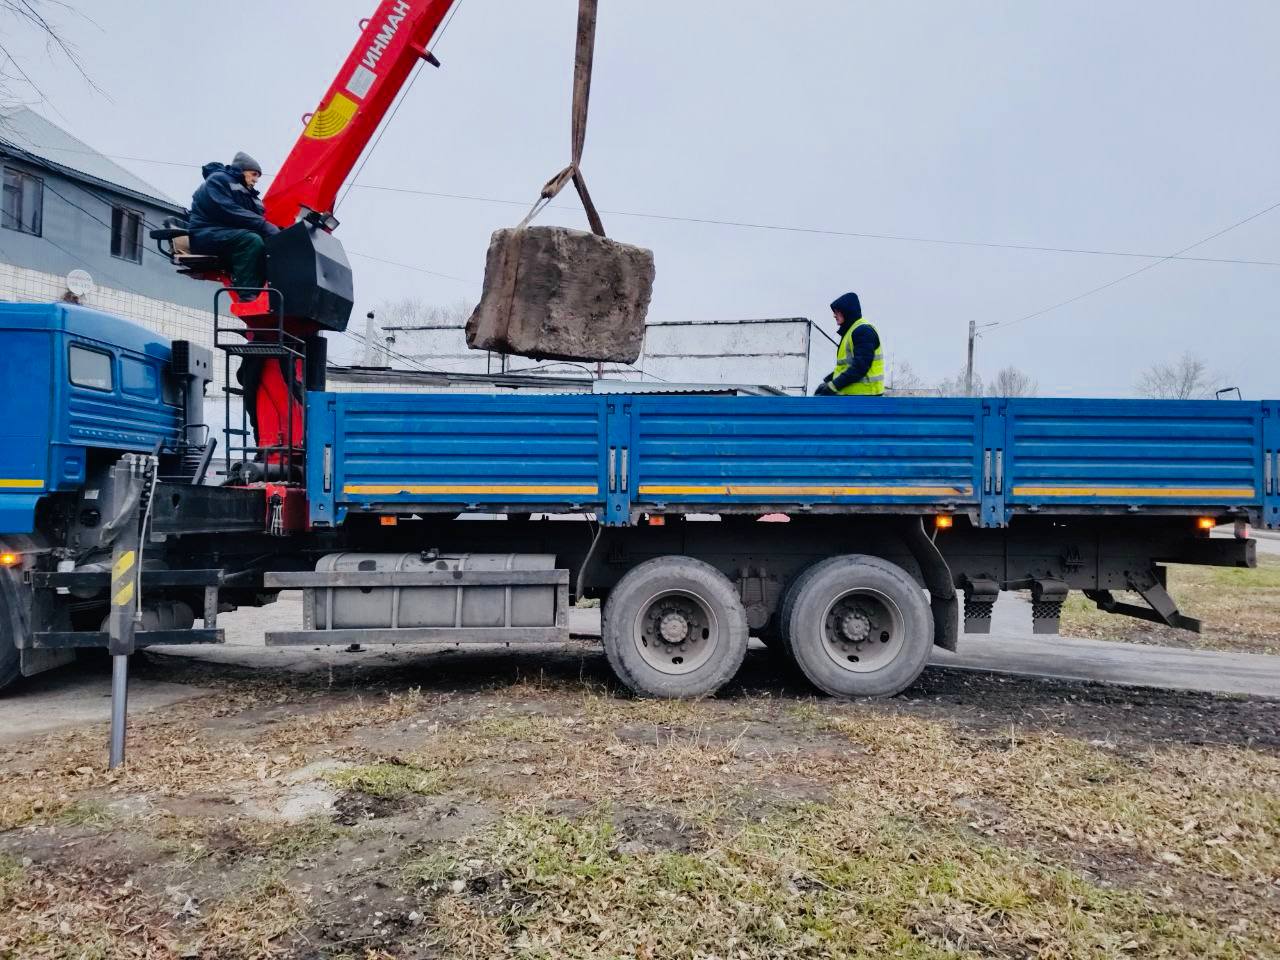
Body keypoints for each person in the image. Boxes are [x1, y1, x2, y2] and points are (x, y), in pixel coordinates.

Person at [187, 151, 279, 289]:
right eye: (254, 174)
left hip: (227, 235)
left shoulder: (249, 195)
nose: (256, 180)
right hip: (206, 235)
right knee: (251, 240)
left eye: (258, 177)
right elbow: (228, 210)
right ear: (242, 170)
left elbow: (256, 219)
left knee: (270, 243)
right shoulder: (217, 180)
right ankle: (248, 293)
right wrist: (264, 225)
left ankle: (270, 290)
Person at [814, 291, 884, 396]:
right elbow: (847, 367)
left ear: (847, 311)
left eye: (837, 311)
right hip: (856, 400)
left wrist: (833, 386)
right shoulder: (852, 331)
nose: (834, 315)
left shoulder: (862, 331)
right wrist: (828, 381)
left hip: (864, 400)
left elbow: (860, 367)